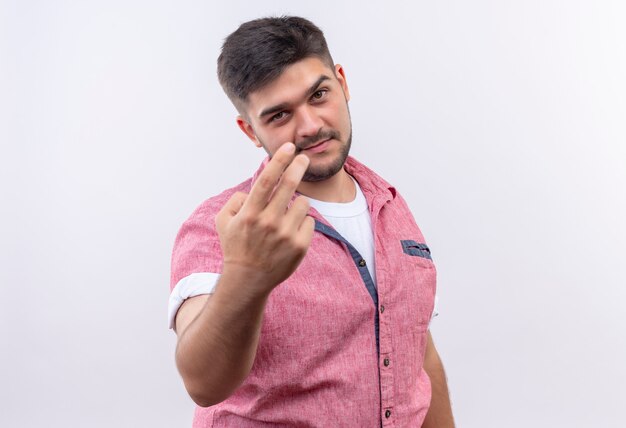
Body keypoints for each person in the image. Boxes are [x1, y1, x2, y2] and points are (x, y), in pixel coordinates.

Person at [169, 16, 455, 427]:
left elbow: (418, 356)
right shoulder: (220, 226)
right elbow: (203, 382)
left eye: (319, 94)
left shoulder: (391, 207)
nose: (310, 126)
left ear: (342, 82)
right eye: (280, 115)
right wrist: (245, 275)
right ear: (250, 131)